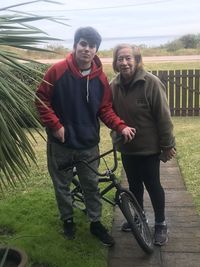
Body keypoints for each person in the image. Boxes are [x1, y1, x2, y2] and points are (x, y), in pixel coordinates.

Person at [35, 28, 135, 247]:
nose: (87, 49)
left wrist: (120, 126)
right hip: (60, 144)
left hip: (88, 144)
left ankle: (95, 223)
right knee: (61, 185)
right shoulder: (57, 71)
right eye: (83, 44)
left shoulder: (100, 79)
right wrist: (55, 124)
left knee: (91, 185)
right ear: (75, 45)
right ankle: (68, 220)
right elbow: (41, 99)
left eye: (91, 46)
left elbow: (105, 109)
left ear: (96, 50)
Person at [110, 43, 176, 246]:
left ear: (137, 60)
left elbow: (163, 117)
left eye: (128, 58)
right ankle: (140, 218)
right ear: (115, 62)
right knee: (134, 186)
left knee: (153, 186)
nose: (124, 62)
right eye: (120, 58)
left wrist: (167, 145)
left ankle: (160, 224)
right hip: (127, 149)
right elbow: (109, 113)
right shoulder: (113, 85)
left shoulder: (151, 83)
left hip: (149, 149)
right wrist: (115, 135)